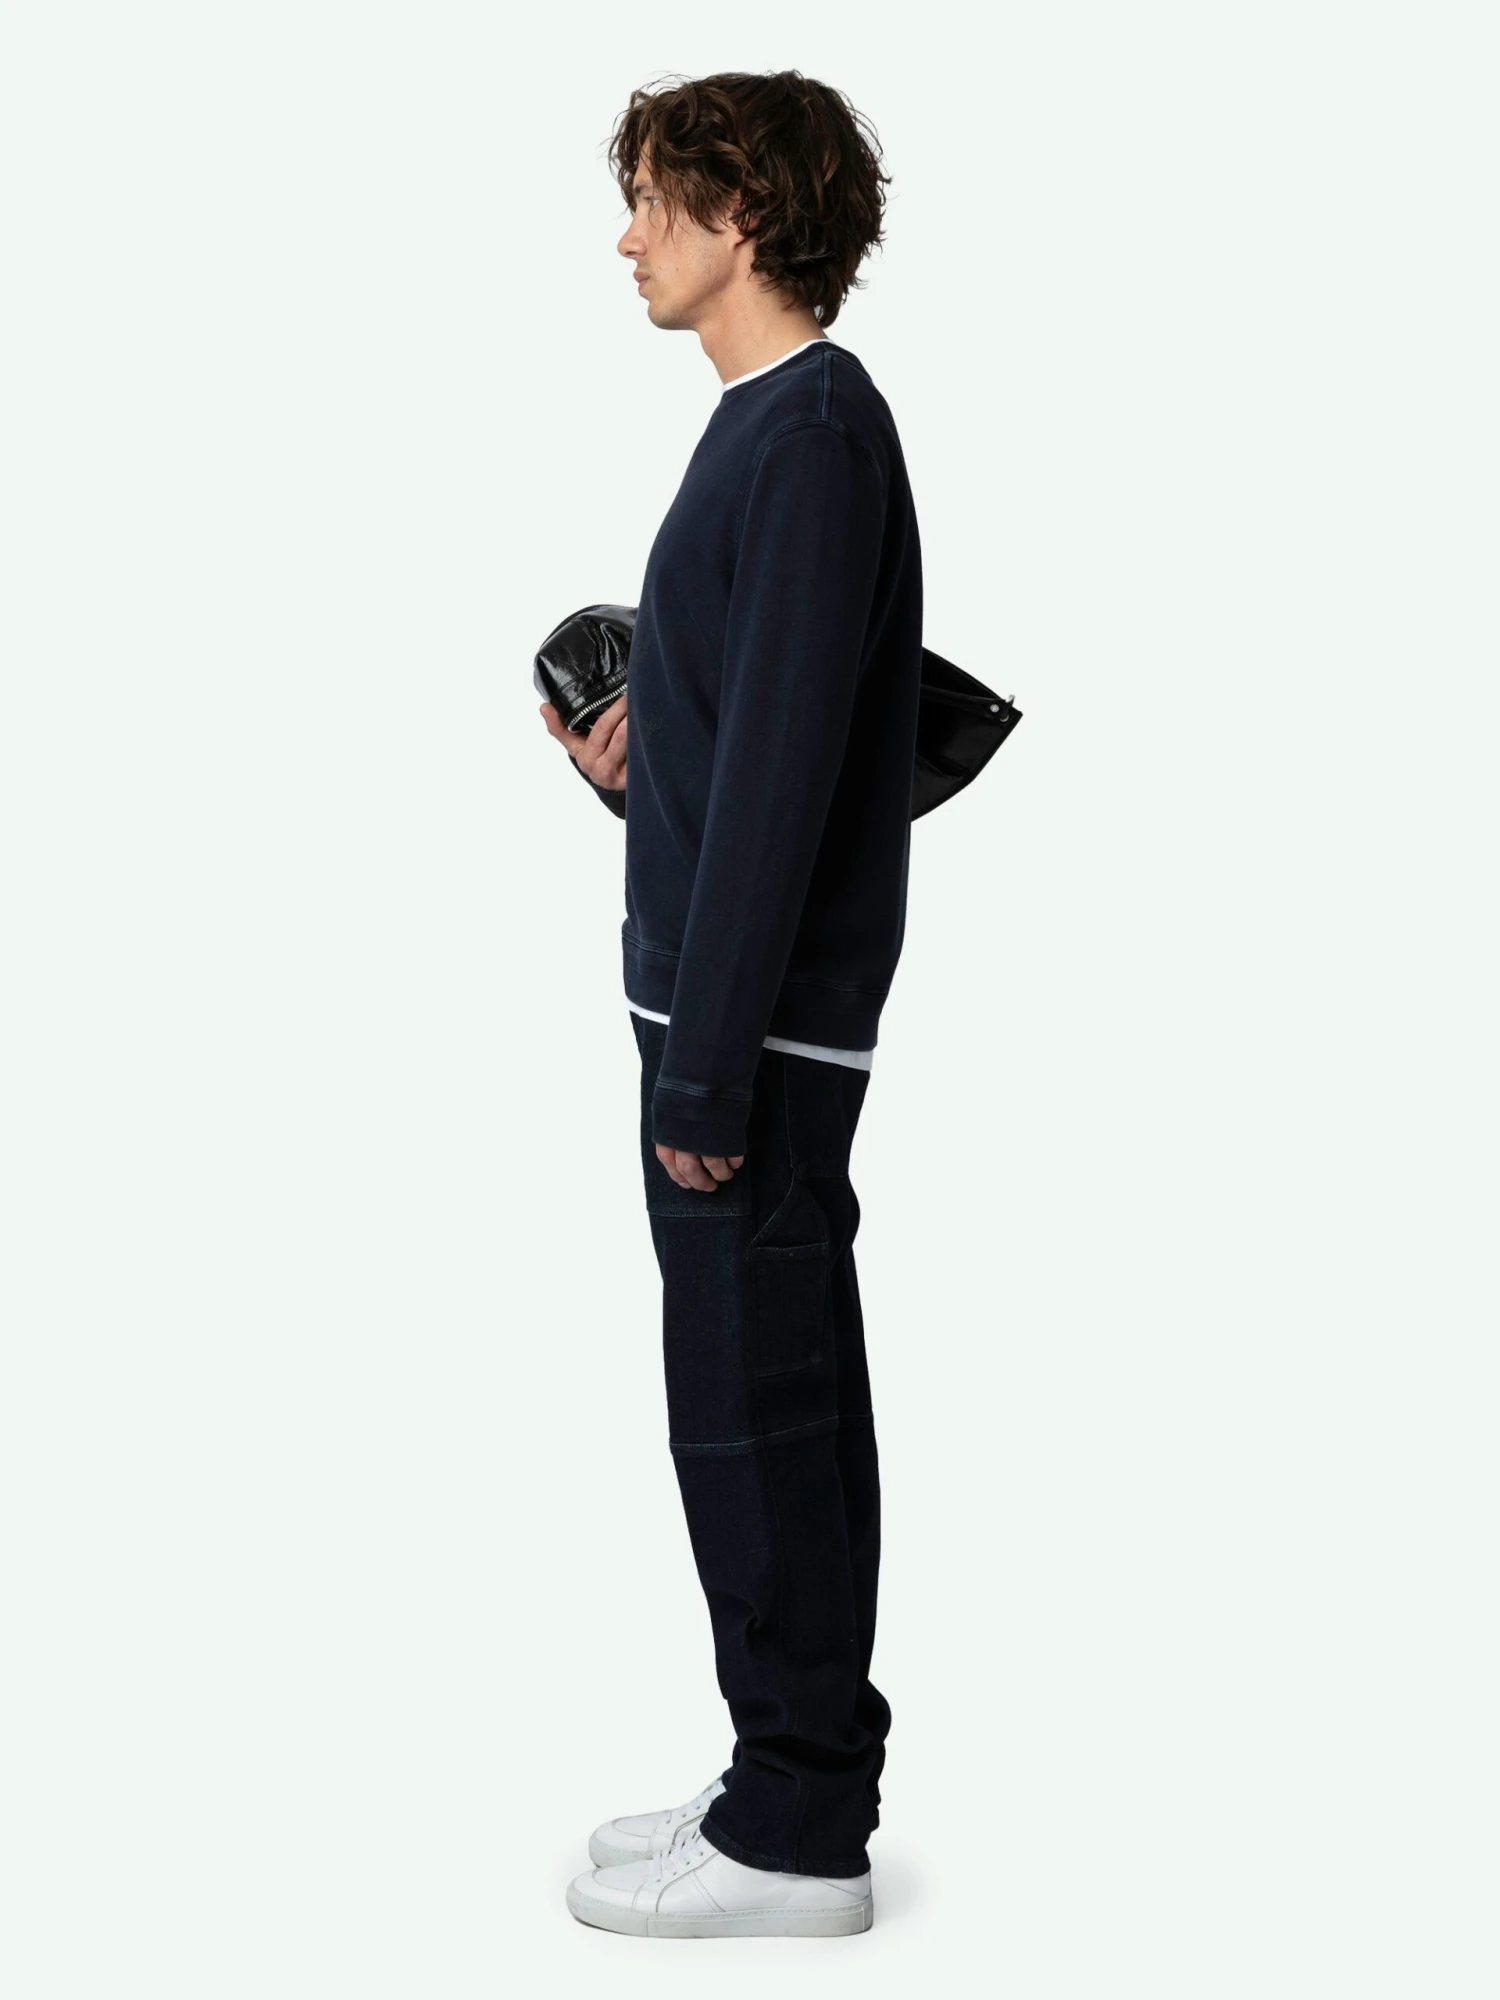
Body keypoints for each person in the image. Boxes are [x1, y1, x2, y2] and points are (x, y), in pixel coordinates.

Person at [539, 70, 924, 1940]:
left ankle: (796, 1833)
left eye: (654, 200)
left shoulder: (813, 433)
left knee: (757, 1415)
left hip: (745, 1038)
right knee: (764, 1401)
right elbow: (757, 744)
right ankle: (794, 1766)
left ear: (742, 213)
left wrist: (704, 1077)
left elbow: (786, 784)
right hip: (725, 1010)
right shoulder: (772, 430)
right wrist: (636, 761)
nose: (627, 237)